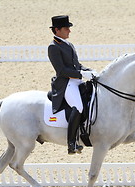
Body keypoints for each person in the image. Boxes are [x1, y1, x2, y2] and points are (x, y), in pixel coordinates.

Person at [48, 15, 97, 155]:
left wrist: (89, 71)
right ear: (57, 30)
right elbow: (62, 70)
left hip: (76, 80)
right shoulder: (53, 47)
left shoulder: (68, 44)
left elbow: (77, 65)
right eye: (66, 28)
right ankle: (71, 144)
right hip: (66, 83)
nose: (69, 31)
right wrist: (81, 75)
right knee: (79, 106)